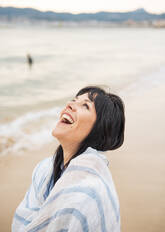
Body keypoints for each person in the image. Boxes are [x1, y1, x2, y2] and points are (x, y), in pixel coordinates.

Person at [12, 86, 125, 232]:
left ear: (99, 129)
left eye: (85, 105)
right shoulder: (45, 169)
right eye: (73, 100)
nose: (70, 105)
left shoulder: (90, 193)